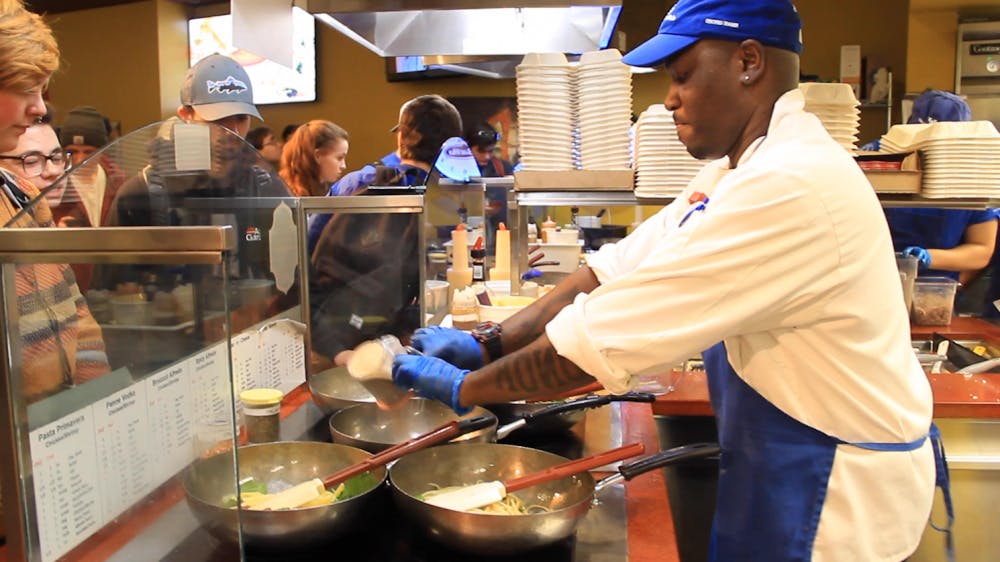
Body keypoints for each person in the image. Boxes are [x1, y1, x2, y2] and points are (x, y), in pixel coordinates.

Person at [391, 1, 941, 561]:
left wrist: (466, 389)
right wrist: (488, 343)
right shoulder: (734, 172)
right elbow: (606, 272)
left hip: (832, 491)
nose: (669, 98)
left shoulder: (789, 183)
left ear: (748, 61)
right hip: (783, 461)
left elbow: (592, 344)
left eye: (681, 77)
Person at [0, 0, 109, 402]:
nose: (40, 108)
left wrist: (98, 403)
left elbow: (78, 316)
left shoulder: (23, 196)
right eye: (26, 90)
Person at [306, 95, 462, 365]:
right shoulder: (443, 197)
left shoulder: (357, 182)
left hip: (331, 341)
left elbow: (305, 250)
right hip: (394, 341)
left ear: (401, 139)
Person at [883, 90, 997, 281]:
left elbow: (981, 249)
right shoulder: (882, 159)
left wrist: (930, 258)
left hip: (936, 288)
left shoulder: (977, 174)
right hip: (878, 280)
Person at [59, 105, 127, 227]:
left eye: (88, 152)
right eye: (72, 152)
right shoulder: (55, 187)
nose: (80, 160)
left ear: (102, 150)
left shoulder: (118, 183)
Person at [278, 120, 349, 197]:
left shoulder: (329, 189)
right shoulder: (284, 193)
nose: (344, 166)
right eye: (339, 158)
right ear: (317, 156)